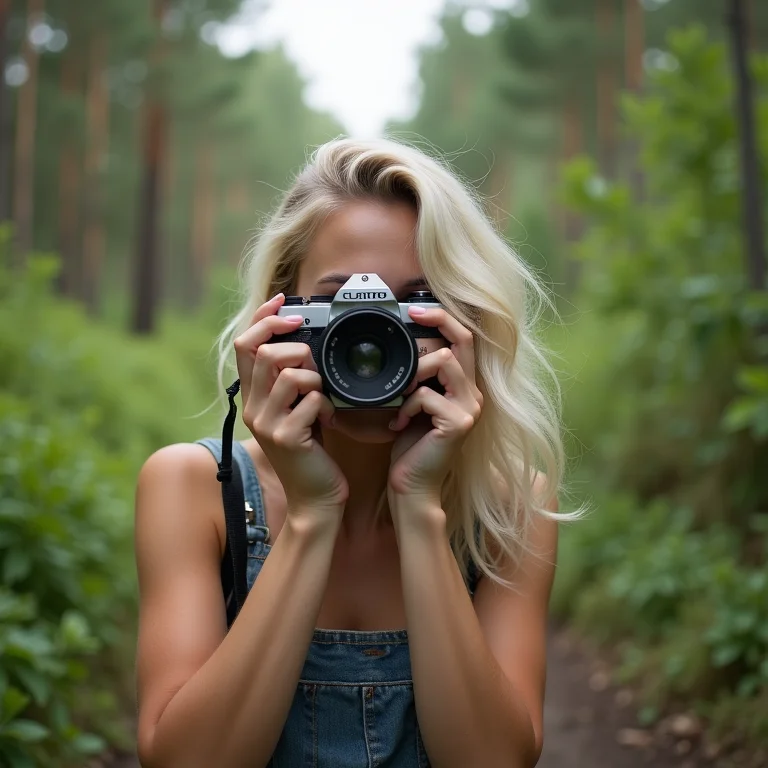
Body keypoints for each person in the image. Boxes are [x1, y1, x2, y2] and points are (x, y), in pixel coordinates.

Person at [133, 138, 567, 768]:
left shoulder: (511, 506)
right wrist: (311, 515)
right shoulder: (196, 488)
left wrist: (420, 507)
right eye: (341, 306)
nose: (374, 339)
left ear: (465, 325)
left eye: (416, 303)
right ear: (280, 317)